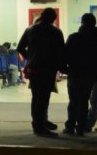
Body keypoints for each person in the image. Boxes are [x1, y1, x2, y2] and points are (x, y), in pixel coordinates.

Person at [16, 8, 65, 137]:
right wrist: (62, 67)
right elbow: (61, 52)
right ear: (53, 19)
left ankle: (39, 122)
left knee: (36, 96)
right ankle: (40, 126)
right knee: (43, 97)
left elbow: (20, 48)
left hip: (34, 68)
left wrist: (30, 58)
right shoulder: (56, 31)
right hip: (48, 69)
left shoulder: (30, 29)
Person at [63, 13, 97, 135]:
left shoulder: (74, 37)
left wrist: (65, 70)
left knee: (73, 101)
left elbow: (65, 55)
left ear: (82, 22)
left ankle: (70, 126)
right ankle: (81, 127)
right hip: (90, 75)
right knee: (84, 101)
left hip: (74, 73)